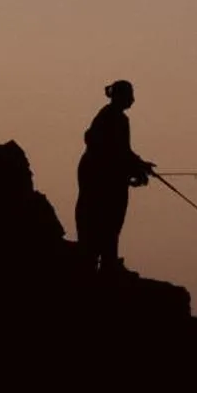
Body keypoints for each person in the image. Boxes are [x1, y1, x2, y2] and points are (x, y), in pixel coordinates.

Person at [75, 80, 153, 276]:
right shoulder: (113, 118)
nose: (133, 99)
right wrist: (136, 167)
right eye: (130, 95)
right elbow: (114, 151)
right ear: (121, 96)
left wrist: (139, 165)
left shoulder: (112, 117)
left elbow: (122, 151)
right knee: (107, 218)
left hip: (100, 175)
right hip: (101, 179)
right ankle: (105, 263)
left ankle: (105, 261)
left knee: (107, 219)